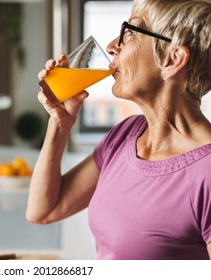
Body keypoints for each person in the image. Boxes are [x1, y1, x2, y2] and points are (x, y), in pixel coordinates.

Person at [26, 0, 211, 260]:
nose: (113, 46)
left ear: (172, 59)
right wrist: (60, 122)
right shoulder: (126, 135)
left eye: (131, 32)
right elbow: (43, 211)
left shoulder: (206, 172)